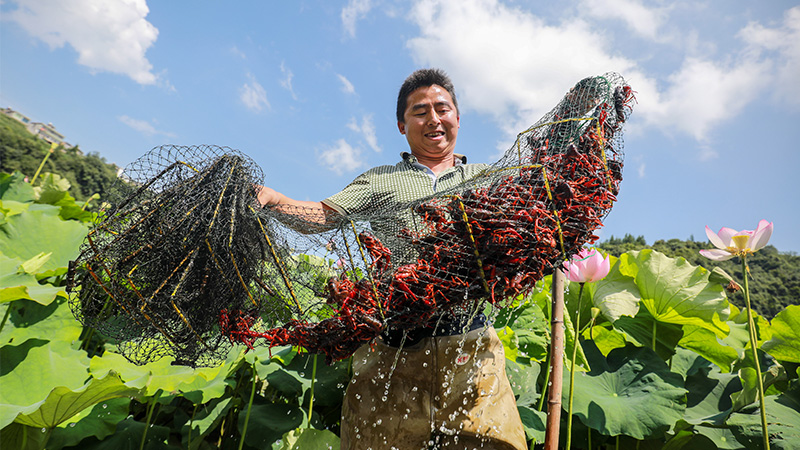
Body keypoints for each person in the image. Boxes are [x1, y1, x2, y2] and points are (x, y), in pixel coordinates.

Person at [258, 68, 527, 450]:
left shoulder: (488, 177)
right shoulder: (380, 179)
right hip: (393, 349)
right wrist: (274, 199)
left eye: (442, 109)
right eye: (420, 111)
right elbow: (322, 215)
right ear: (402, 125)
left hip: (471, 348)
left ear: (457, 117)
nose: (433, 119)